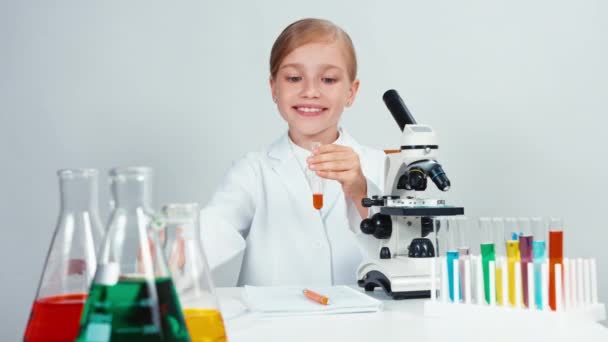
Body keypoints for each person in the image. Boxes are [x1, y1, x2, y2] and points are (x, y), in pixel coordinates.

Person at [201, 18, 386, 287]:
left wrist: (361, 192)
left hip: (360, 322)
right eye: (294, 78)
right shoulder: (253, 171)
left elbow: (402, 245)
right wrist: (176, 246)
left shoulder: (380, 166)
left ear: (351, 92)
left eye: (329, 79)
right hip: (272, 326)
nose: (310, 91)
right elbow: (217, 227)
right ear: (274, 88)